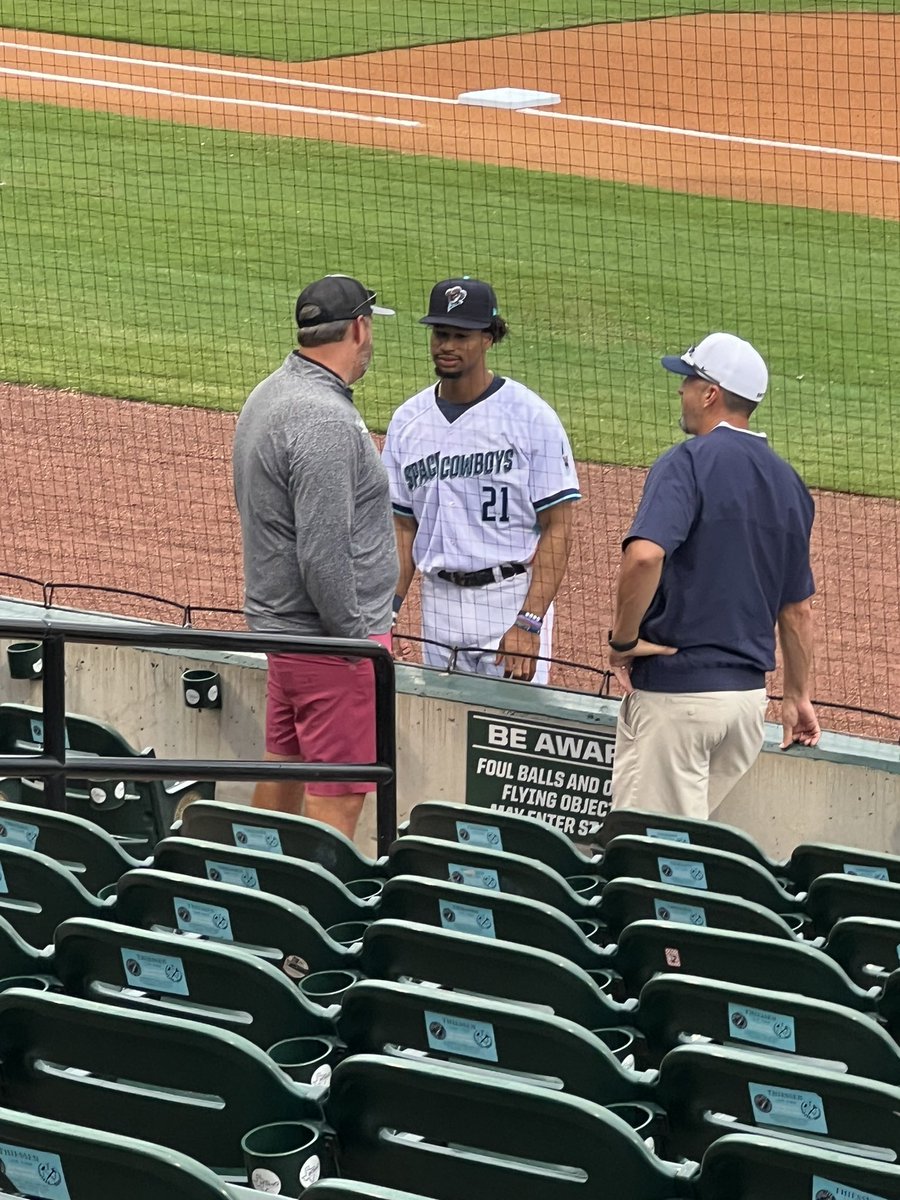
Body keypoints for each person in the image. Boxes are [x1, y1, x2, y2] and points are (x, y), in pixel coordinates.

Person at [607, 331, 819, 820]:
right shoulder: (789, 483)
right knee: (684, 852)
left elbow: (643, 557)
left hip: (680, 702)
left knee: (647, 860)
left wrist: (622, 641)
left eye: (687, 380)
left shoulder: (687, 462)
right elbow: (797, 610)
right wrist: (797, 696)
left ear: (710, 393)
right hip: (745, 710)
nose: (680, 391)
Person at [232, 274, 398, 838]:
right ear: (359, 327)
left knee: (281, 777)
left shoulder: (269, 393)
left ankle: (250, 895)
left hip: (286, 637)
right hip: (330, 647)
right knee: (338, 803)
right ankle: (307, 919)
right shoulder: (324, 418)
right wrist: (357, 643)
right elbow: (324, 556)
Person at [382, 277, 581, 685]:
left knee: (507, 734)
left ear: (489, 338)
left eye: (461, 336)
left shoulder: (530, 417)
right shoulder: (408, 421)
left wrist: (529, 622)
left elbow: (558, 526)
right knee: (440, 725)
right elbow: (403, 529)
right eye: (440, 333)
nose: (447, 346)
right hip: (437, 603)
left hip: (507, 599)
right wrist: (386, 616)